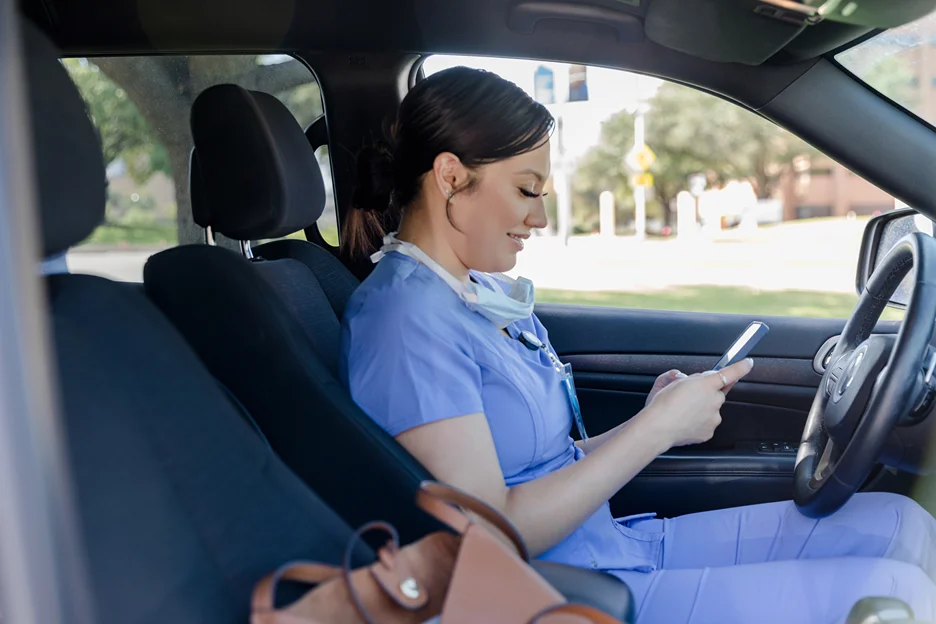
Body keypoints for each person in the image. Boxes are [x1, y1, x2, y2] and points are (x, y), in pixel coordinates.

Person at [338, 66, 936, 623]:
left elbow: (552, 463)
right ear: (450, 176)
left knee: (902, 523)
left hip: (614, 545)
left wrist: (654, 423)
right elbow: (486, 533)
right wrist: (655, 432)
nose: (539, 218)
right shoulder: (404, 322)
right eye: (526, 190)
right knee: (897, 596)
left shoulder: (473, 292)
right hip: (560, 592)